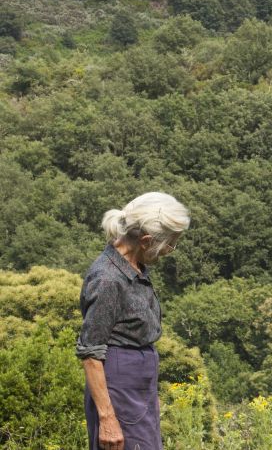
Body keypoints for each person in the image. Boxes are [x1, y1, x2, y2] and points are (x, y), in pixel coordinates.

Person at [77, 192, 191, 450]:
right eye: (170, 244)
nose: (170, 252)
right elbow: (91, 353)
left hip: (137, 385)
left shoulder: (134, 266)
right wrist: (107, 418)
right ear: (146, 240)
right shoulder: (108, 279)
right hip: (119, 386)